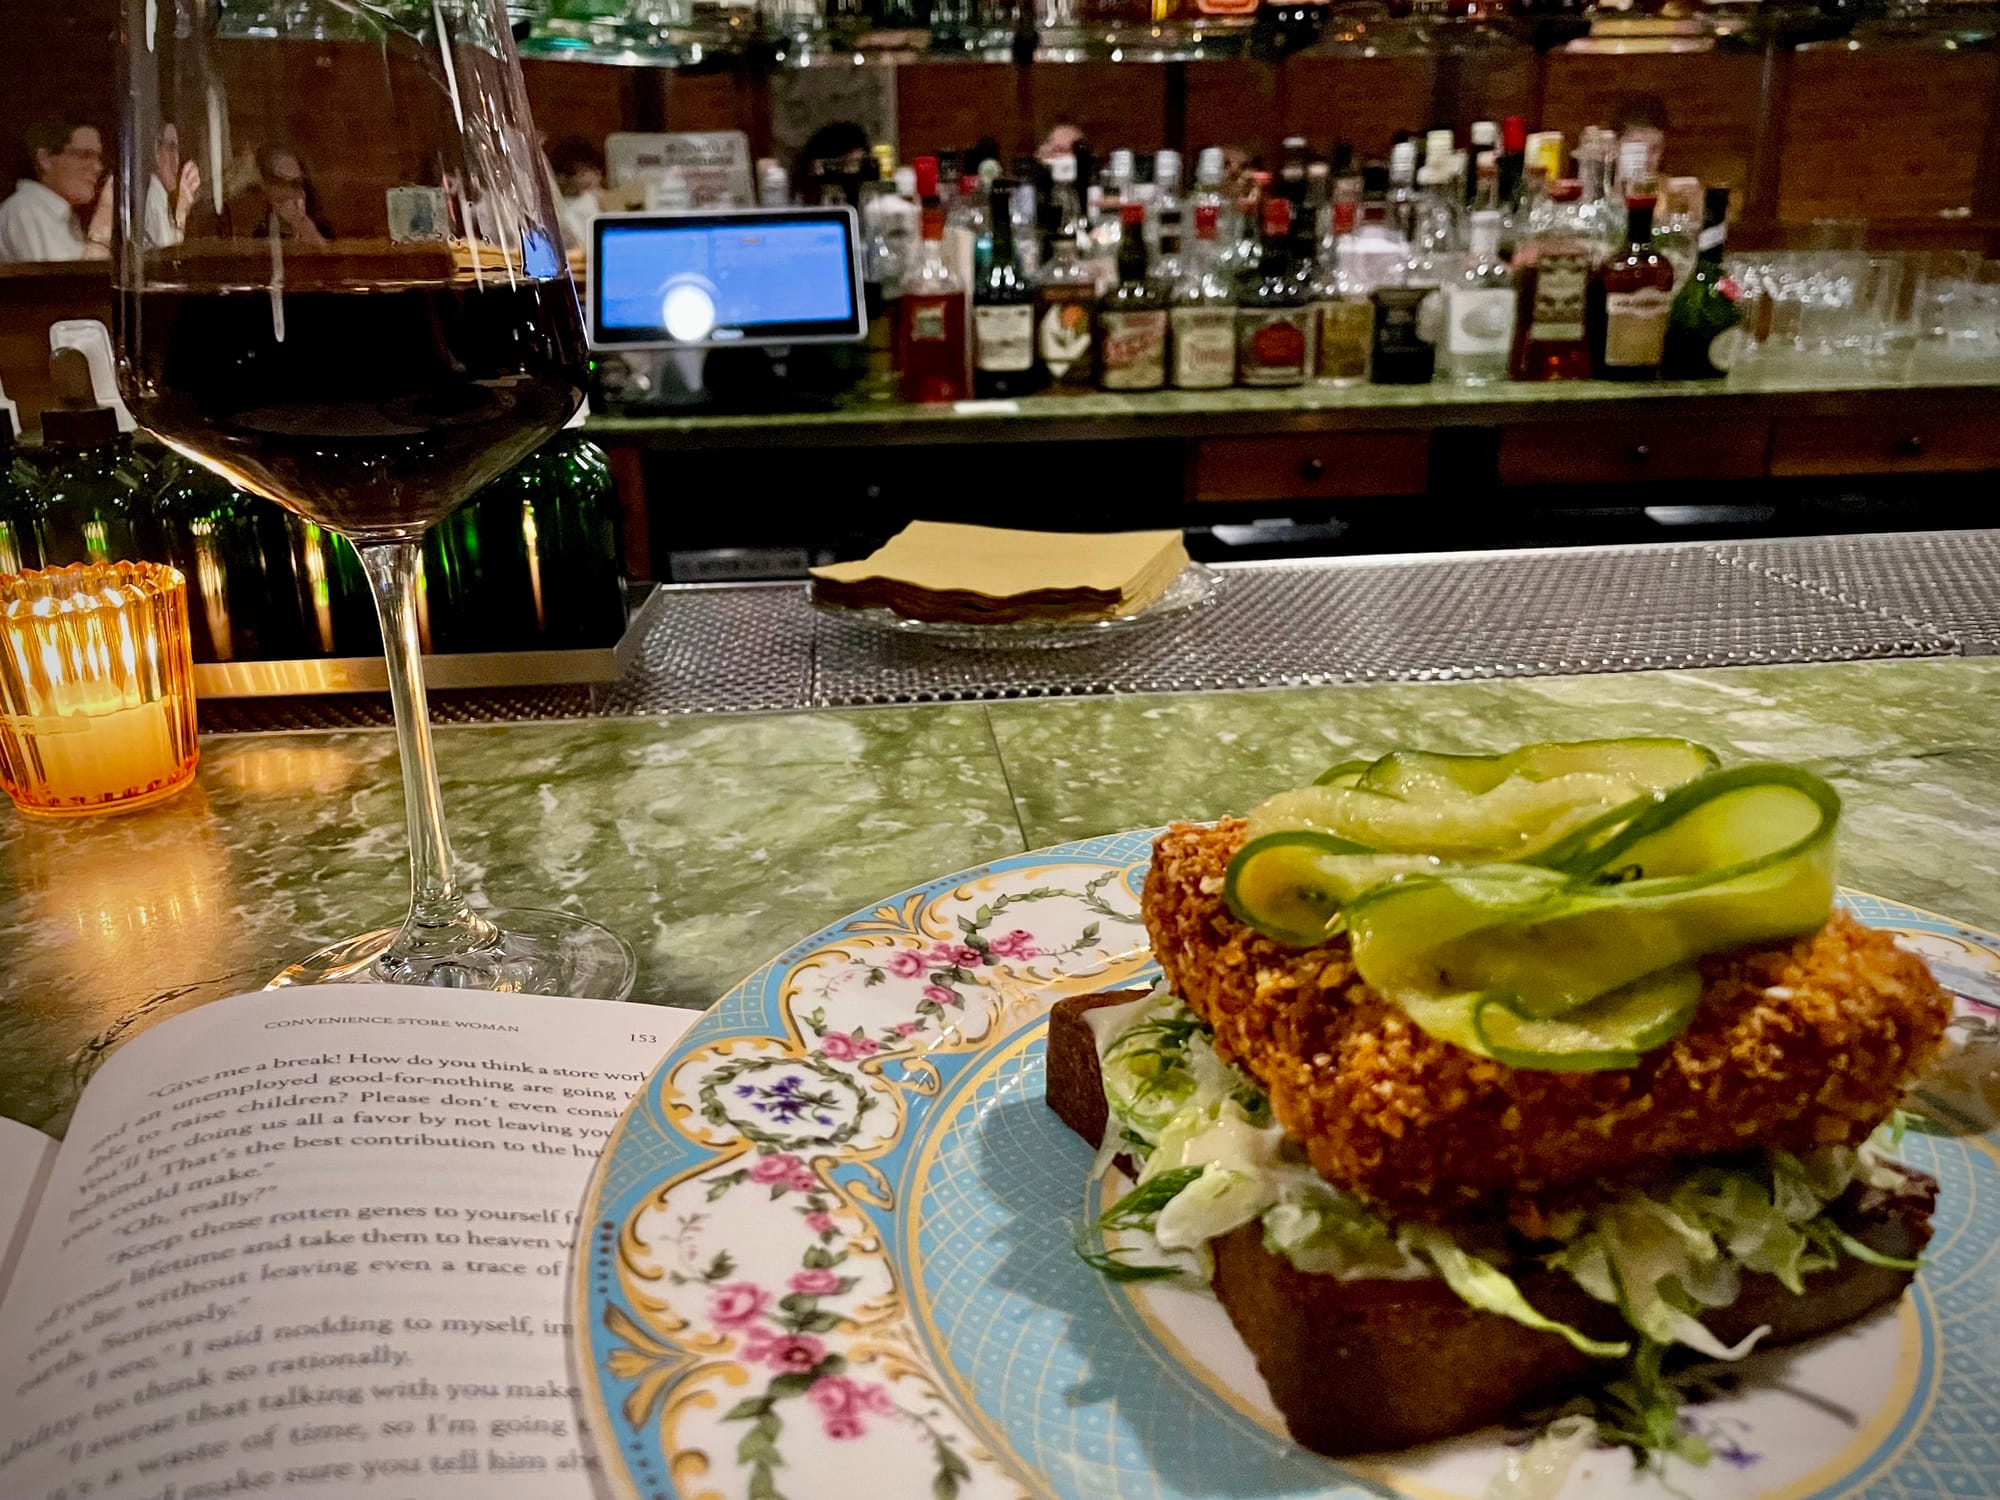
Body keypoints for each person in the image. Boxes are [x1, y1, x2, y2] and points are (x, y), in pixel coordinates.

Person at [0, 120, 111, 263]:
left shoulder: (63, 218)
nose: (97, 167)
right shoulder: (27, 210)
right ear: (45, 159)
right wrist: (102, 228)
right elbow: (67, 284)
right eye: (85, 155)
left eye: (98, 157)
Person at [144, 123, 202, 249]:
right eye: (170, 148)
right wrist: (181, 211)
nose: (176, 159)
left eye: (177, 150)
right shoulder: (153, 197)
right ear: (155, 153)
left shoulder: (161, 197)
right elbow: (170, 258)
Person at [547, 136, 605, 254]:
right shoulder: (569, 210)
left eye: (594, 171)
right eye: (581, 174)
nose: (592, 177)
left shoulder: (604, 199)